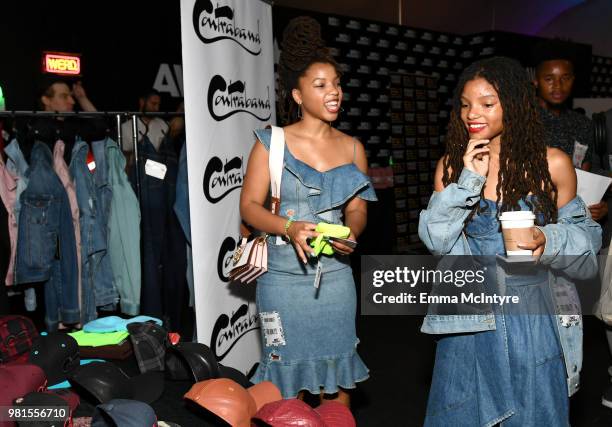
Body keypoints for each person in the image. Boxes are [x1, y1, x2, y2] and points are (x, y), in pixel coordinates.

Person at [419, 57, 601, 426]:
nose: (474, 113)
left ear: (514, 105)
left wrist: (545, 238)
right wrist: (469, 180)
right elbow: (436, 240)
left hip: (531, 318)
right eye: (466, 104)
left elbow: (586, 248)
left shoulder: (552, 164)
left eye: (488, 103)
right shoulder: (451, 167)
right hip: (468, 320)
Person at [239, 16, 376, 406]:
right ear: (297, 96)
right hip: (281, 281)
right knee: (284, 385)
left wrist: (353, 231)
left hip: (335, 280)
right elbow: (248, 208)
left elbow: (358, 210)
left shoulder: (353, 148)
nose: (333, 93)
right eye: (320, 86)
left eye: (336, 84)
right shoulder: (272, 143)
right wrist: (289, 227)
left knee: (338, 380)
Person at [532, 40, 608, 221]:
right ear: (535, 81)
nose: (558, 86)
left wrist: (600, 205)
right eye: (549, 79)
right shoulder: (522, 121)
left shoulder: (583, 124)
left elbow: (590, 172)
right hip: (532, 219)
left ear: (573, 79)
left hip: (573, 221)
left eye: (565, 78)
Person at [120, 89, 169, 158]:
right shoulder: (126, 127)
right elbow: (123, 158)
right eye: (154, 104)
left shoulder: (164, 125)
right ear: (142, 102)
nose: (157, 108)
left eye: (158, 105)